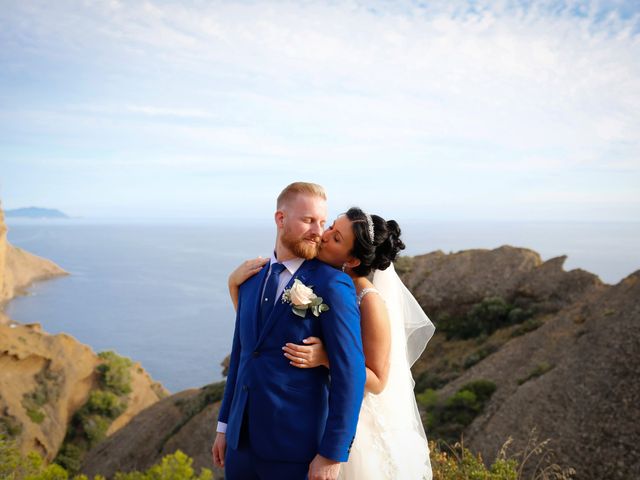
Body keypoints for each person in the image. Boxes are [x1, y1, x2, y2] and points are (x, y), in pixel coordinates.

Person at [228, 207, 435, 480]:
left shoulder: (369, 301)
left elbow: (378, 380)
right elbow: (263, 335)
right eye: (331, 228)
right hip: (308, 413)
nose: (324, 237)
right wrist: (234, 284)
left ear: (351, 260)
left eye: (336, 238)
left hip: (348, 422)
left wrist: (326, 358)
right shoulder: (313, 278)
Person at [211, 182, 366, 480]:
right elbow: (243, 355)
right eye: (308, 220)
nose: (318, 231)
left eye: (323, 222)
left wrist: (332, 454)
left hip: (297, 453)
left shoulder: (333, 285)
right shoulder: (250, 278)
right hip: (239, 450)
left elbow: (352, 373)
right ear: (280, 219)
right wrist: (224, 427)